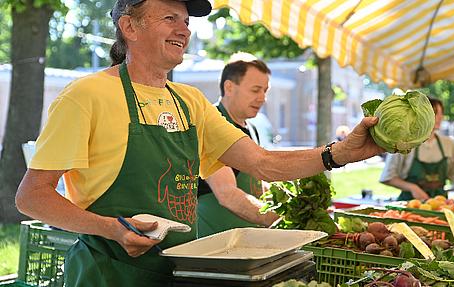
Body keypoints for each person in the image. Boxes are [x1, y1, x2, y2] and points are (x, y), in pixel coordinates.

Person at [14, 0, 384, 285]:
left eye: (187, 22)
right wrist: (112, 228)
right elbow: (32, 197)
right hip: (107, 273)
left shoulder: (188, 101)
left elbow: (262, 163)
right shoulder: (86, 95)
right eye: (170, 18)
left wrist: (339, 154)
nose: (184, 30)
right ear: (129, 26)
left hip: (180, 269)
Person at [196, 52, 278, 237]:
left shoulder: (251, 127)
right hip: (213, 238)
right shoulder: (211, 124)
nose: (263, 98)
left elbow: (257, 183)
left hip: (244, 239)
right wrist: (280, 218)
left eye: (265, 91)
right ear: (229, 87)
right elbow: (227, 194)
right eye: (256, 90)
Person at [379, 96, 454, 201]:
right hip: (410, 205)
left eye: (441, 113)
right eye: (435, 113)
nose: (440, 118)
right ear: (422, 115)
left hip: (440, 205)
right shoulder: (405, 143)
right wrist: (413, 188)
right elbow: (388, 177)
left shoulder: (448, 143)